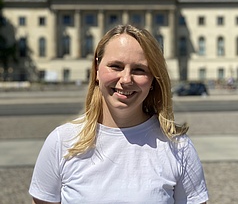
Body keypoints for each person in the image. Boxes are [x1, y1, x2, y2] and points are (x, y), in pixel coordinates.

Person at [29, 24, 209, 204]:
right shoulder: (62, 141)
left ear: (153, 78)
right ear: (97, 69)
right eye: (116, 66)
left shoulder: (178, 147)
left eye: (139, 69)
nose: (125, 80)